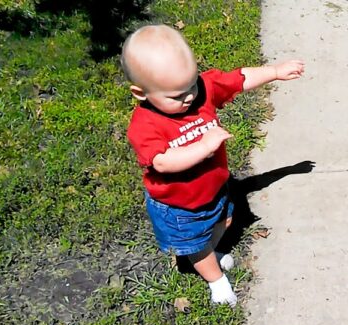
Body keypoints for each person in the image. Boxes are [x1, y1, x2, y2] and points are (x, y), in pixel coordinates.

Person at [122, 24, 304, 305]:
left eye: (192, 85)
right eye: (176, 96)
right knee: (196, 245)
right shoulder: (145, 125)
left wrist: (275, 72)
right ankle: (215, 280)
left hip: (216, 189)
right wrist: (204, 146)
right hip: (180, 206)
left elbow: (238, 79)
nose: (190, 97)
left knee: (225, 220)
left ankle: (210, 252)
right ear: (140, 93)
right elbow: (163, 162)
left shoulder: (201, 90)